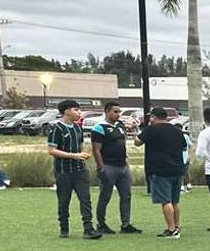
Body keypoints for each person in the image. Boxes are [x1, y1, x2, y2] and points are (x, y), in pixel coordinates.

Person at [46, 100, 100, 239]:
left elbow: (79, 147)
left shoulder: (77, 127)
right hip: (64, 171)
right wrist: (73, 155)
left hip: (80, 170)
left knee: (85, 199)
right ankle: (64, 228)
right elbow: (51, 150)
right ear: (66, 111)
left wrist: (82, 155)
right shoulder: (56, 128)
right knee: (64, 200)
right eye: (75, 110)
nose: (79, 113)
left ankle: (88, 229)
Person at [135, 108, 188, 238]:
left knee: (166, 201)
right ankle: (177, 226)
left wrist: (140, 129)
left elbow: (137, 142)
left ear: (154, 117)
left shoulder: (151, 129)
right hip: (177, 169)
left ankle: (171, 230)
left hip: (160, 169)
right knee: (175, 201)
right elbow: (184, 146)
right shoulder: (176, 130)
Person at [91, 101, 141, 235]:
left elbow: (122, 143)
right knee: (105, 196)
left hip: (122, 167)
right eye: (115, 112)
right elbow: (96, 149)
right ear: (107, 111)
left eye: (119, 112)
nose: (118, 114)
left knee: (126, 195)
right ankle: (101, 224)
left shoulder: (119, 126)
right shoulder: (99, 128)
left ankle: (126, 224)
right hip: (108, 166)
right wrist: (101, 167)